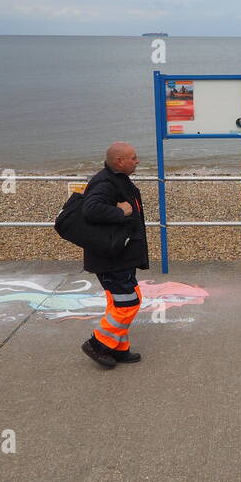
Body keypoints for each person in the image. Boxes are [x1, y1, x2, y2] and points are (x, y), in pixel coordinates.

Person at [79, 142, 150, 368]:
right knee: (127, 303)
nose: (137, 161)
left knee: (121, 301)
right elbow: (90, 208)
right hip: (111, 258)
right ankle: (97, 344)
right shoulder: (105, 182)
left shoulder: (116, 179)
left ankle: (118, 347)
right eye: (133, 158)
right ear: (120, 161)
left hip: (119, 256)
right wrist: (120, 211)